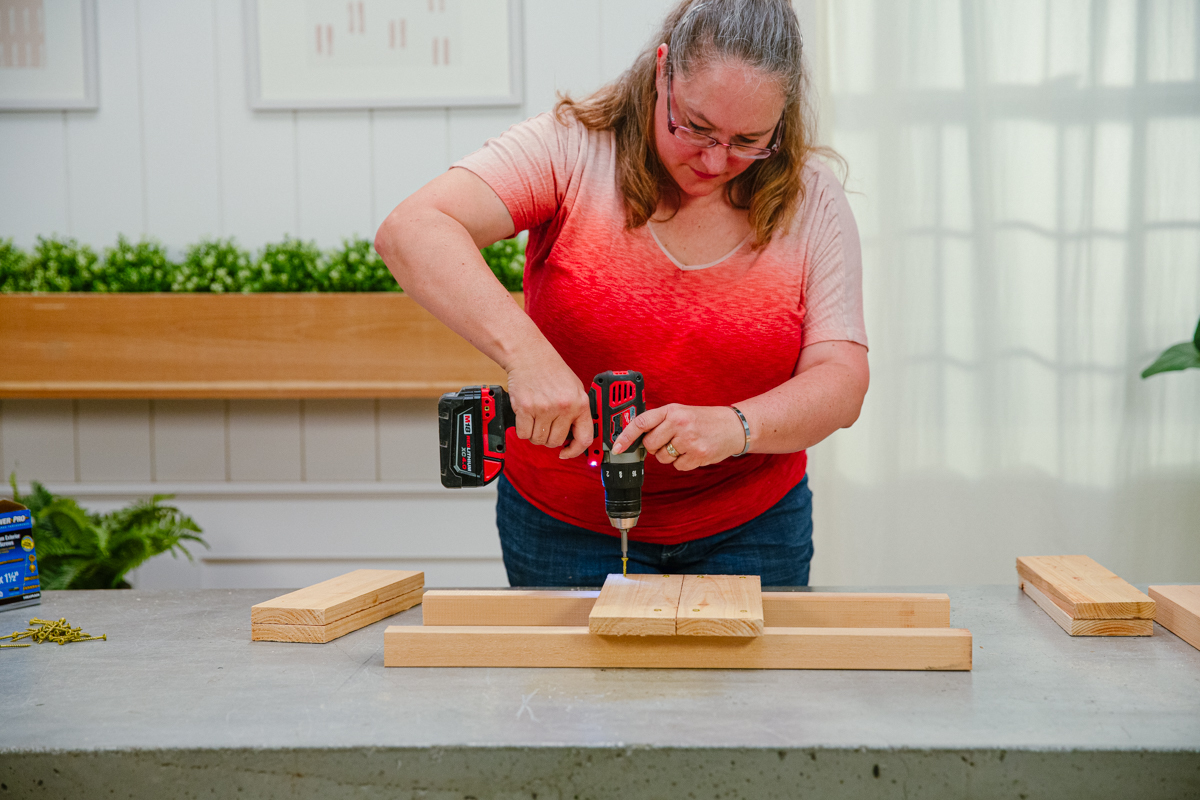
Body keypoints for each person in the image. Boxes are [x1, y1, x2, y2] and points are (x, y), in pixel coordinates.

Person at [375, 0, 868, 587]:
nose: (715, 160)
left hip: (752, 527)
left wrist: (736, 427)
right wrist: (529, 358)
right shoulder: (571, 150)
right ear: (663, 71)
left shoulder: (812, 199)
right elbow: (411, 229)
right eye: (696, 127)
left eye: (748, 140)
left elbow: (841, 379)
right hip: (564, 528)